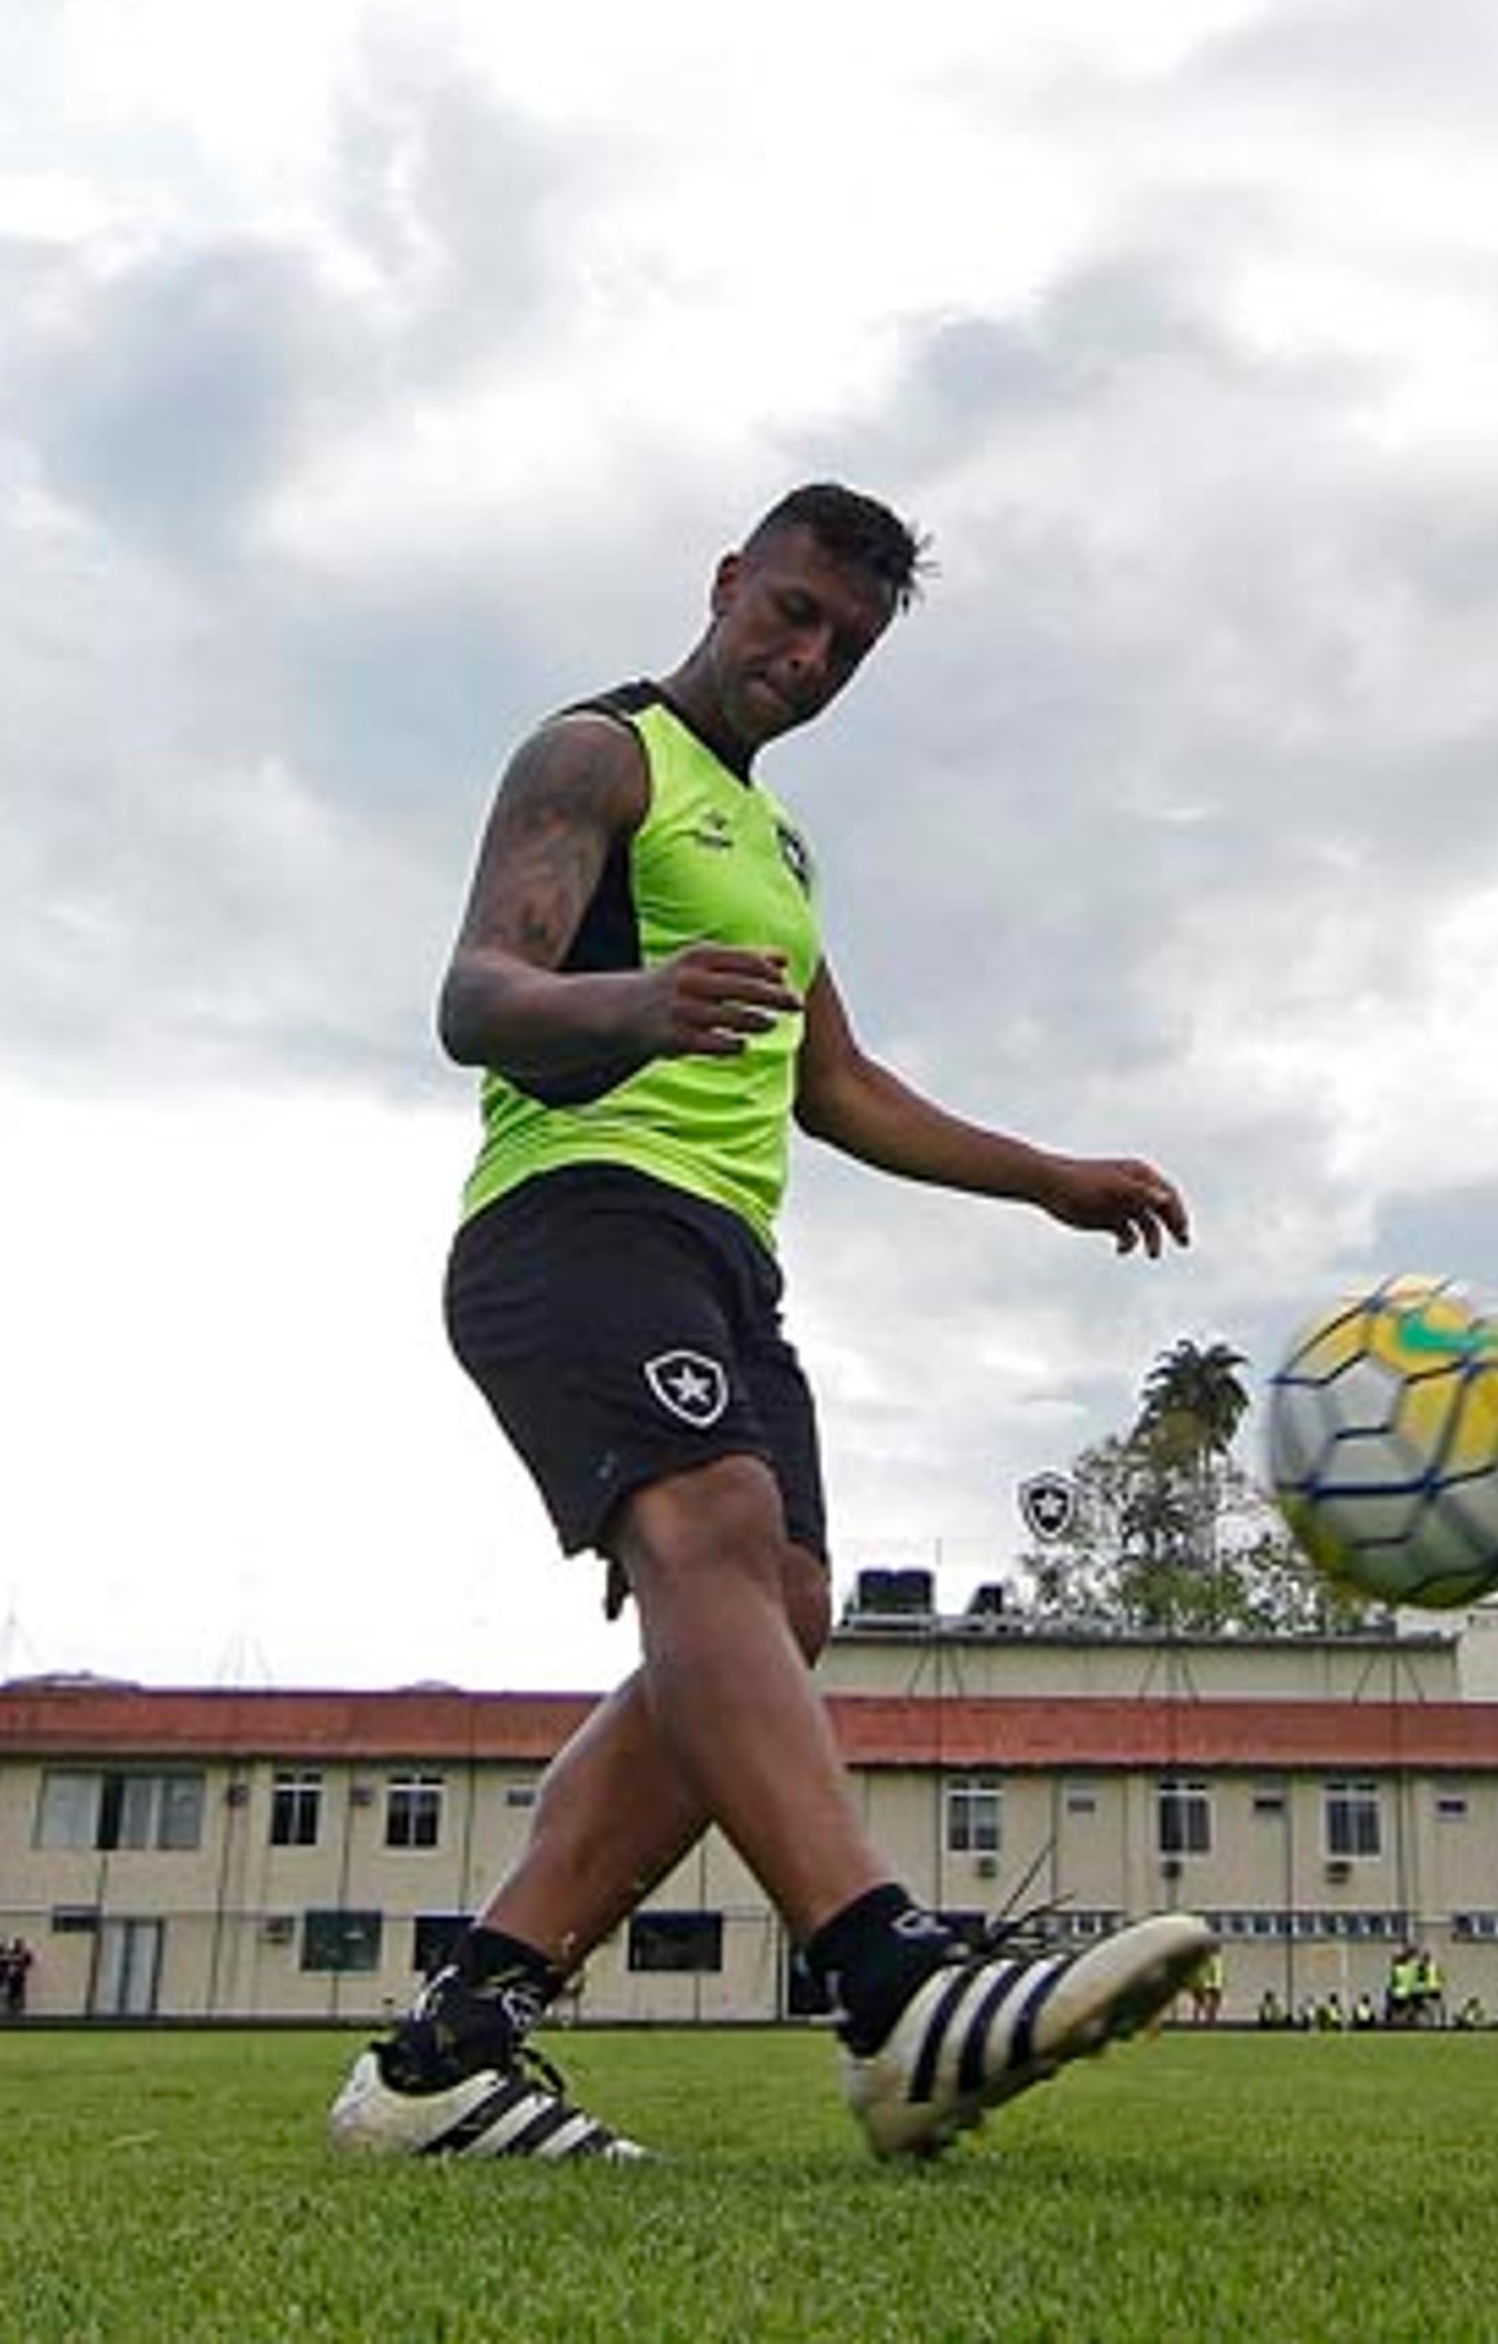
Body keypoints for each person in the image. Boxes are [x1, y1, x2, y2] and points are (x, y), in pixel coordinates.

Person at [326, 485, 1214, 2165]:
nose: (808, 659)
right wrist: (640, 1004)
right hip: (574, 1214)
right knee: (717, 1535)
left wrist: (1046, 1176)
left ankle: (451, 2046)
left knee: (775, 1607)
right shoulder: (597, 756)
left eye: (848, 646)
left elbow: (839, 1086)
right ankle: (889, 1983)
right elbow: (478, 1000)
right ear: (729, 580)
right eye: (793, 612)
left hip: (728, 1259)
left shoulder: (781, 851)